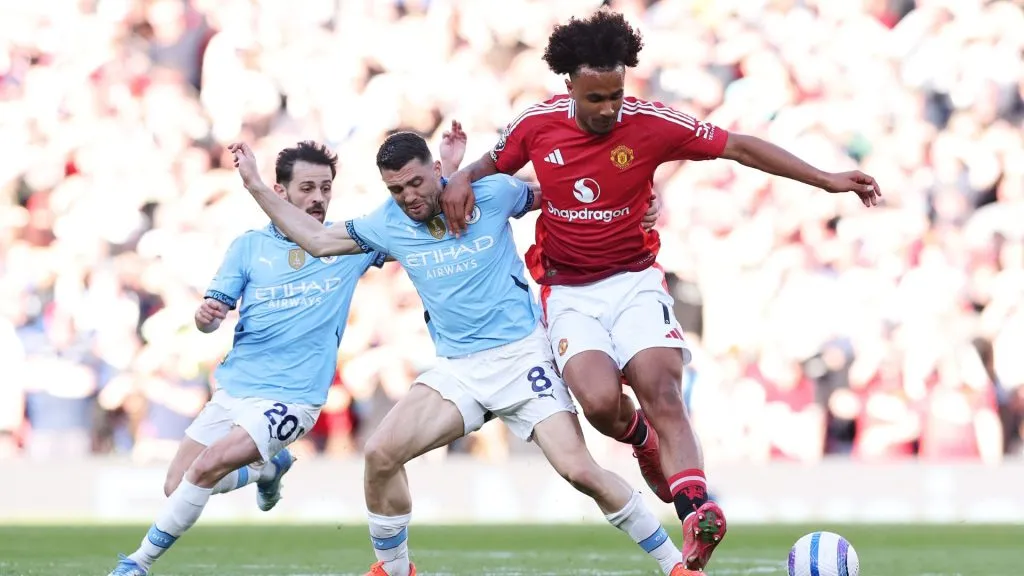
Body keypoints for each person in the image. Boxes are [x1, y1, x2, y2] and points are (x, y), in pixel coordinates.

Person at [439, 11, 882, 571]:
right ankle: (641, 439)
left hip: (633, 281)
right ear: (569, 85)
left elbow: (739, 148)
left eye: (616, 95)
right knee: (600, 405)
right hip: (568, 290)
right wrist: (459, 177)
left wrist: (827, 178)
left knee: (662, 387)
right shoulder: (537, 124)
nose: (608, 109)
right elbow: (492, 162)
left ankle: (696, 510)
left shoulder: (651, 123)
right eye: (596, 97)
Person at [228, 133, 694, 576]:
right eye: (396, 189)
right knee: (380, 454)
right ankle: (394, 570)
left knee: (581, 471)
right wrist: (253, 185)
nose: (409, 196)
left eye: (416, 182)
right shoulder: (384, 224)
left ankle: (674, 564)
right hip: (459, 371)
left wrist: (641, 201)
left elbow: (564, 194)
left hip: (522, 359)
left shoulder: (493, 194)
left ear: (436, 171)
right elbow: (318, 240)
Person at [106, 129, 469, 576]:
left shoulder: (348, 244)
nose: (319, 198)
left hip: (293, 397)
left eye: (325, 188)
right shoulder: (248, 247)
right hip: (236, 389)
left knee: (209, 465)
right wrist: (208, 316)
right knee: (176, 484)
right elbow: (207, 320)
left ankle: (137, 564)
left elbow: (418, 212)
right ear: (280, 192)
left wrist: (448, 169)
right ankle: (265, 471)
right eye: (307, 188)